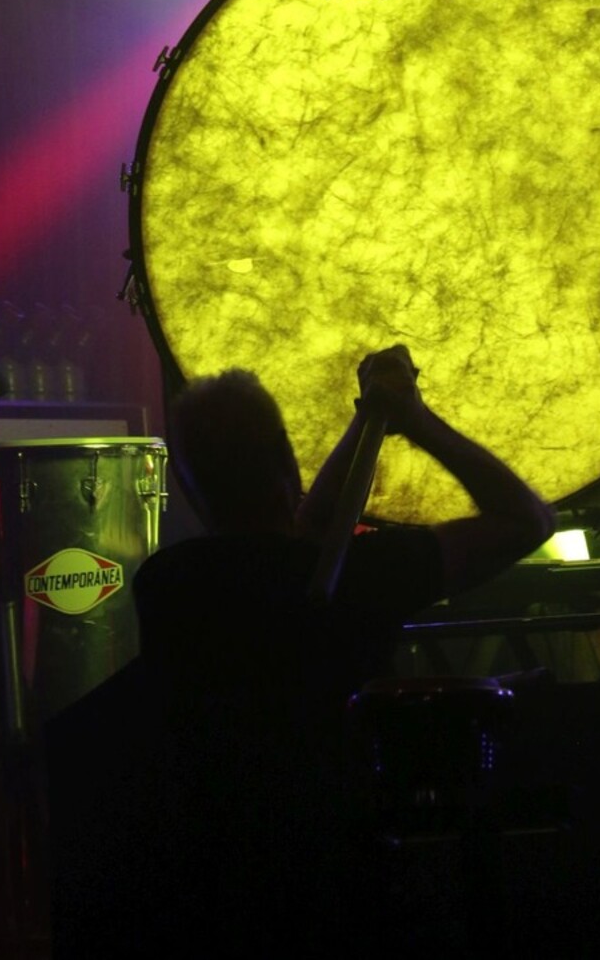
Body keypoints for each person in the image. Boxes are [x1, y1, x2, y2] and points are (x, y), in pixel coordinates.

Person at [48, 346, 554, 956]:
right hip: (343, 892)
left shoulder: (169, 584)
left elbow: (300, 534)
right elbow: (527, 520)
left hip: (211, 901)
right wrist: (416, 421)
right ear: (286, 461)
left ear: (187, 483)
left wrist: (368, 421)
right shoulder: (360, 578)